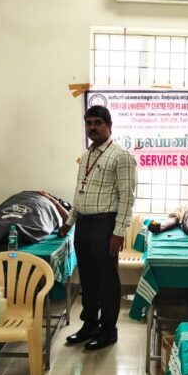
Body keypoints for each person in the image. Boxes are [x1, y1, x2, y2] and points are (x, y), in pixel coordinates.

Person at [58, 105, 136, 351]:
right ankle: (89, 325)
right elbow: (79, 191)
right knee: (88, 278)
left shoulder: (120, 156)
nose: (92, 128)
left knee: (107, 280)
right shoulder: (87, 155)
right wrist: (69, 222)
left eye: (97, 123)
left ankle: (108, 330)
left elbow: (127, 197)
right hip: (83, 224)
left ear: (109, 125)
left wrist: (118, 232)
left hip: (105, 225)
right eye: (89, 123)